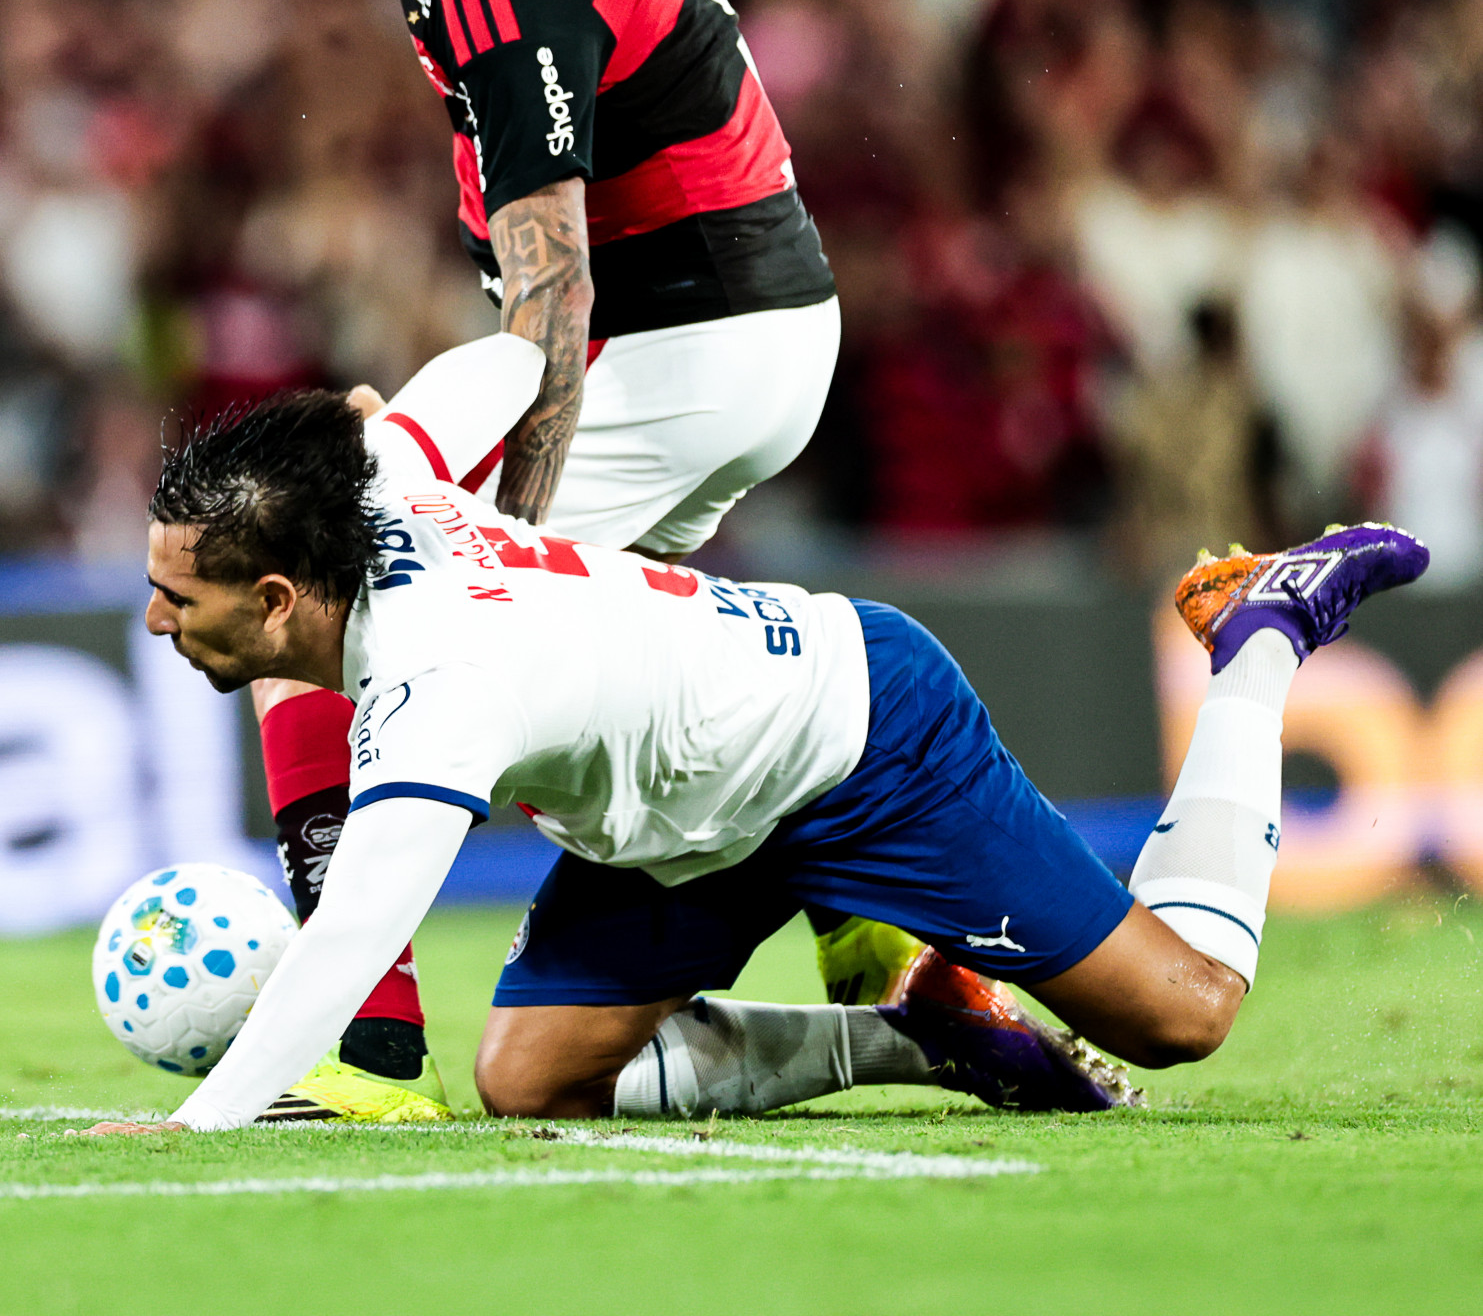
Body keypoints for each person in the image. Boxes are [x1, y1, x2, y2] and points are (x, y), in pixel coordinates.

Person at [102, 0, 843, 1119]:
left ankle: (364, 1055)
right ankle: (855, 911)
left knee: (338, 590)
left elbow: (554, 297)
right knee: (611, 704)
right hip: (750, 327)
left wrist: (496, 538)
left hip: (682, 337)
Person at [79, 338, 1427, 1134]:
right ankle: (918, 1031)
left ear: (272, 600)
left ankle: (1258, 638)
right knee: (530, 1083)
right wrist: (374, 432)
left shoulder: (440, 680)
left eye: (173, 596)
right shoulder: (388, 487)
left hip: (861, 739)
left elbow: (351, 942)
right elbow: (492, 363)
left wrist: (197, 1125)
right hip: (690, 826)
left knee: (1184, 1016)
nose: (148, 621)